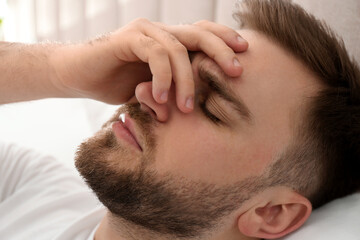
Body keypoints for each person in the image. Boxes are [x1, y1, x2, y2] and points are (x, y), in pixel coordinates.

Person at [1, 0, 359, 239]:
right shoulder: (35, 188)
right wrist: (60, 70)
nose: (147, 93)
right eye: (173, 73)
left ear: (272, 213)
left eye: (211, 107)